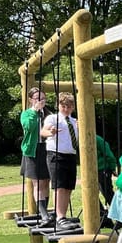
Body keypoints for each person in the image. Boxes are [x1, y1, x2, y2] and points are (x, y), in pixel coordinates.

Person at [40, 92, 79, 229]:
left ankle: (62, 215)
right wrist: (51, 132)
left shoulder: (75, 122)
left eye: (69, 106)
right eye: (63, 106)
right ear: (58, 106)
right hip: (56, 155)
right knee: (60, 187)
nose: (66, 109)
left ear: (73, 107)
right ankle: (60, 217)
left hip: (70, 156)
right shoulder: (53, 118)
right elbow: (43, 131)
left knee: (68, 187)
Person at [19, 87, 51, 223]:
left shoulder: (49, 114)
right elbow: (29, 127)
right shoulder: (27, 114)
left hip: (47, 149)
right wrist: (35, 111)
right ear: (31, 100)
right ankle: (43, 214)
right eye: (38, 98)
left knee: (46, 182)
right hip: (33, 150)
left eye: (43, 98)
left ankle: (45, 211)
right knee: (37, 182)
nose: (41, 101)